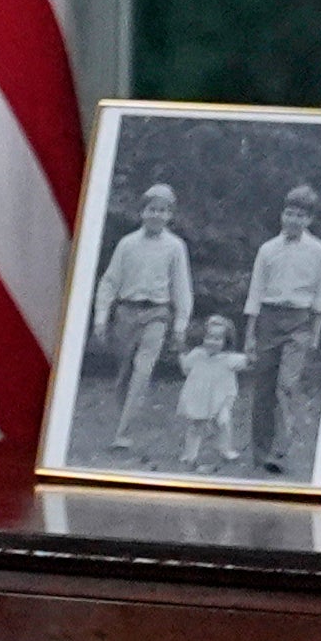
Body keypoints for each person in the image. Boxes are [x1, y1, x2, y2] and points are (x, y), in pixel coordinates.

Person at [242, 180, 321, 477]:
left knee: (287, 385)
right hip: (269, 321)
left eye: (300, 215)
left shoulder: (318, 250)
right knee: (264, 390)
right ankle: (260, 452)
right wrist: (250, 334)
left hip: (299, 323)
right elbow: (256, 293)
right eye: (289, 213)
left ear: (309, 219)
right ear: (282, 215)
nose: (293, 219)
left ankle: (279, 453)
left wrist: (316, 332)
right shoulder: (268, 249)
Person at [94, 185, 198, 455]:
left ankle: (123, 434)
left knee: (143, 371)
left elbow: (181, 288)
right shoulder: (127, 244)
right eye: (152, 209)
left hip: (157, 314)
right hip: (127, 312)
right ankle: (123, 419)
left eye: (163, 211)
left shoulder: (175, 247)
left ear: (169, 215)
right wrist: (101, 317)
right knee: (125, 375)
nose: (156, 215)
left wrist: (180, 326)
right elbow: (110, 282)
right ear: (142, 212)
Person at [174, 312, 251, 472]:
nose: (212, 342)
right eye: (209, 337)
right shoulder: (197, 354)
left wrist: (252, 353)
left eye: (217, 339)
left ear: (225, 341)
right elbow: (186, 368)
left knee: (222, 421)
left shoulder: (229, 359)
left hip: (222, 398)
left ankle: (226, 450)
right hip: (200, 397)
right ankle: (190, 454)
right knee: (196, 425)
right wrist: (180, 352)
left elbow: (247, 361)